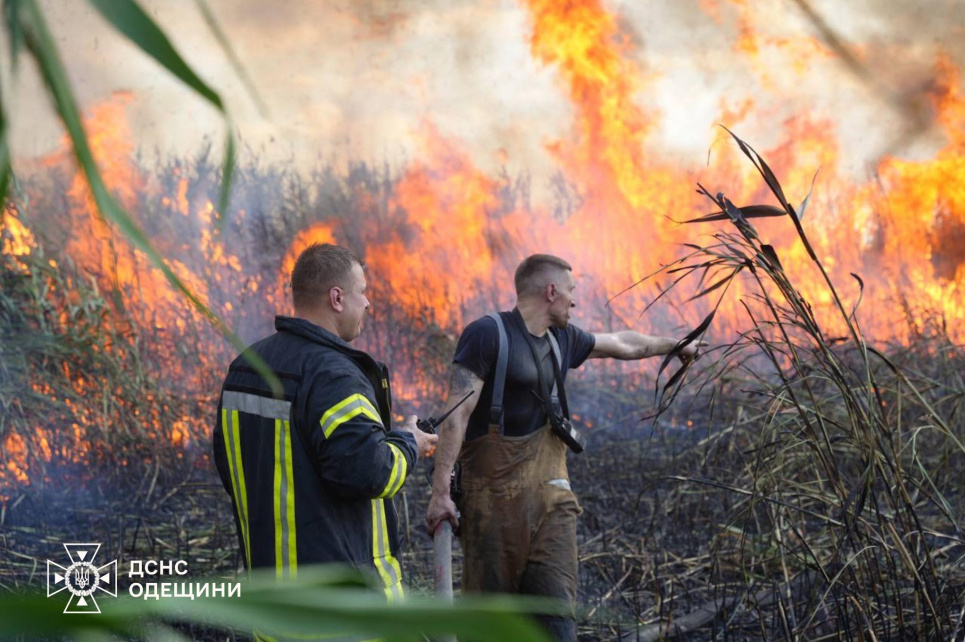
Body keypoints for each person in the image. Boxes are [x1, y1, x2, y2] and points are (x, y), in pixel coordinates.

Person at [425, 254, 701, 641]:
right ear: (550, 291)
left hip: (551, 500)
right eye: (571, 290)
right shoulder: (487, 334)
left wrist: (675, 345)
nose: (575, 300)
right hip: (492, 505)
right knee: (490, 625)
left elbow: (622, 343)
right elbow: (456, 414)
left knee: (557, 615)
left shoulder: (563, 339)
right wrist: (440, 494)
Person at [214, 243, 436, 602]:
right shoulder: (333, 376)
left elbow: (232, 467)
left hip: (271, 606)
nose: (367, 303)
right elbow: (371, 472)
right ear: (337, 298)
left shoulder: (246, 365)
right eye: (362, 292)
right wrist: (410, 442)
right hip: (345, 613)